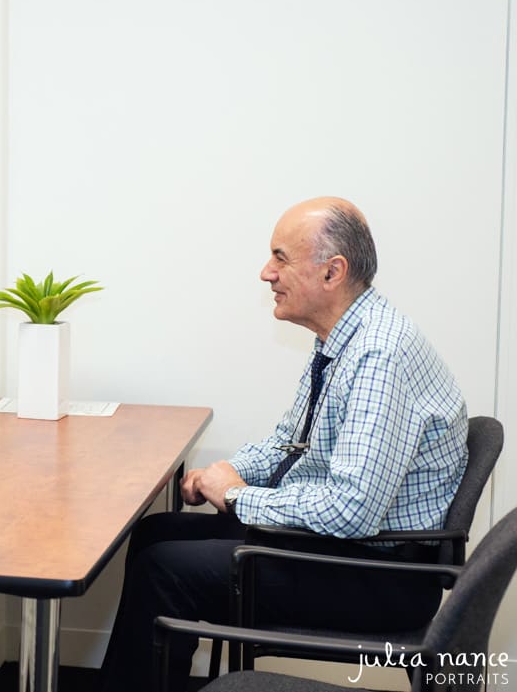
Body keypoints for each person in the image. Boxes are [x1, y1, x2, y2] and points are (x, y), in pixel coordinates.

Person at [97, 196, 468, 692]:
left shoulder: (379, 355)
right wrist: (224, 472)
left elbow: (351, 510)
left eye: (281, 258)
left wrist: (235, 496)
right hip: (347, 550)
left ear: (332, 273)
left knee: (164, 571)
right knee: (154, 536)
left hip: (379, 574)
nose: (265, 273)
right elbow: (288, 444)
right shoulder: (341, 339)